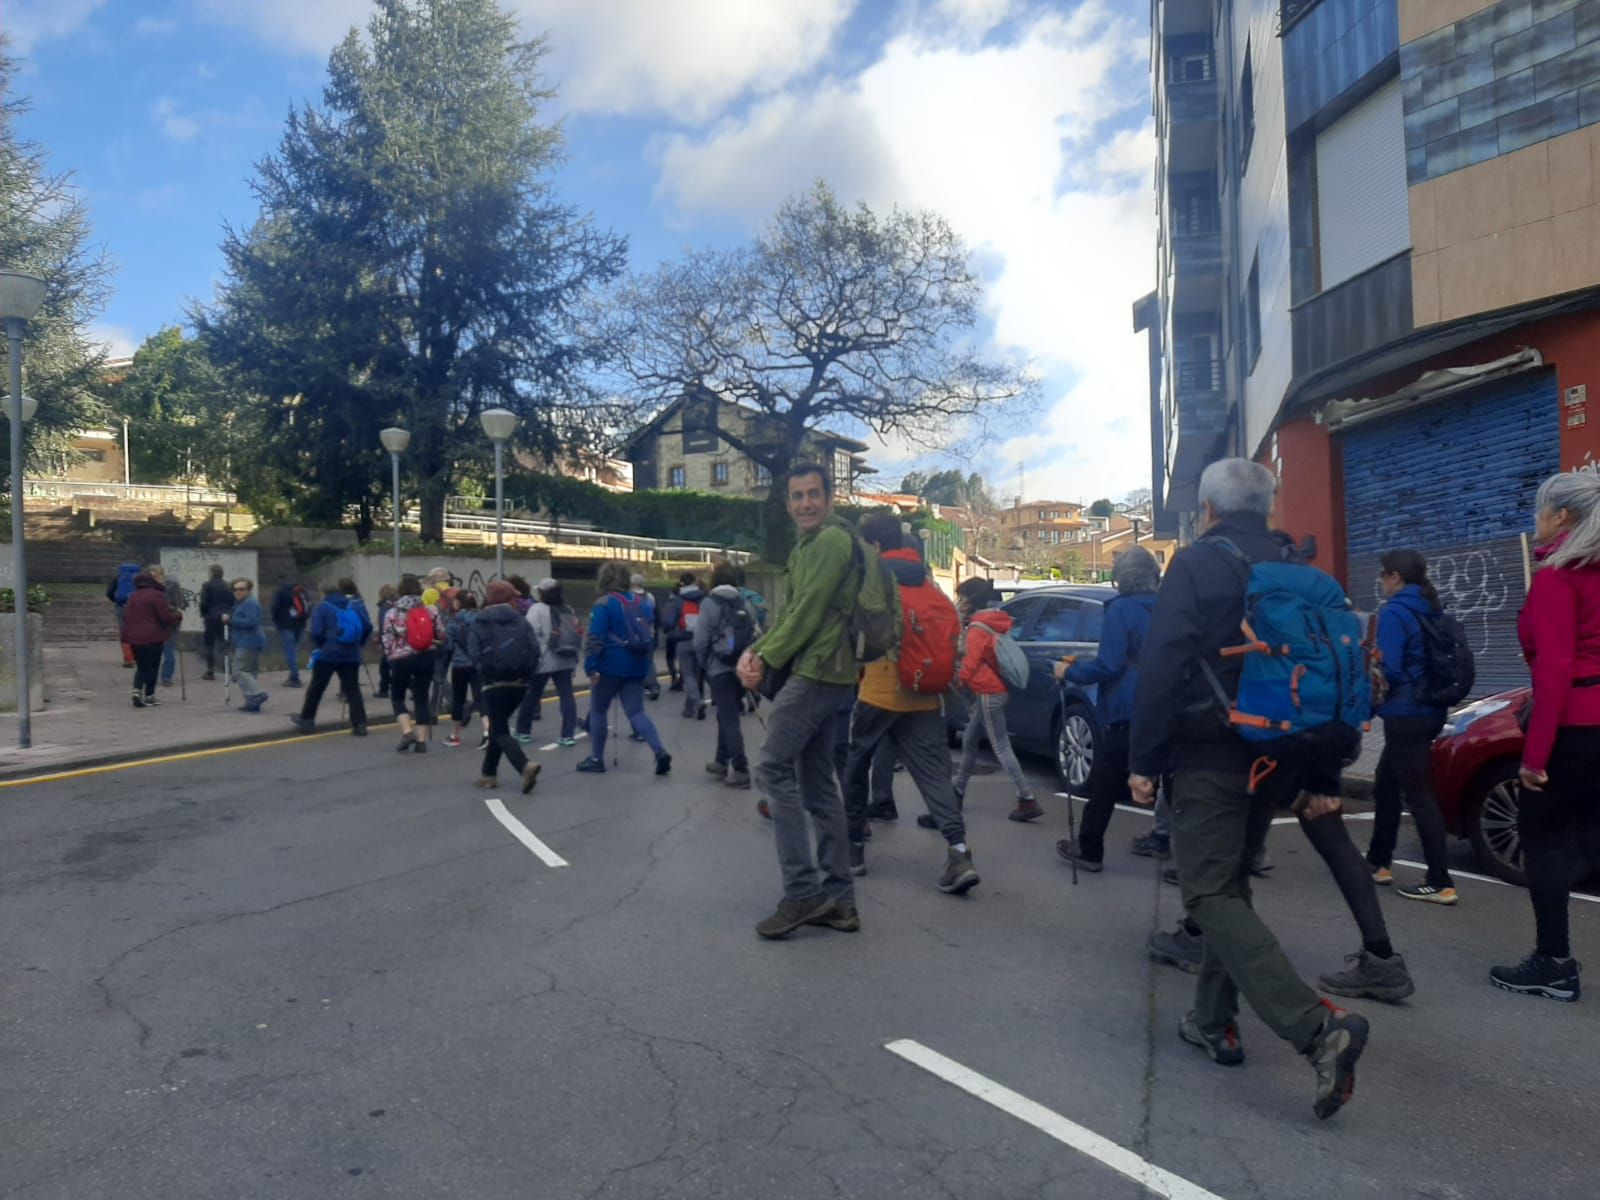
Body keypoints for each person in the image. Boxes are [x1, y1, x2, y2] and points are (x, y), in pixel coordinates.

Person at [1129, 457, 1368, 1120]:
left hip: (1212, 756)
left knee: (1205, 892)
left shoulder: (1200, 564)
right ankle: (1212, 1021)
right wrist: (1322, 773)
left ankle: (1317, 1028)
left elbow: (1163, 662)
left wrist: (1143, 759)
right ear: (1268, 507)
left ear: (1206, 510)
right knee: (1230, 885)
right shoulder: (1305, 572)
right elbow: (1335, 674)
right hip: (1284, 754)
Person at [735, 463, 860, 939]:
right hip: (830, 673)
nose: (805, 503)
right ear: (788, 503)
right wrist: (760, 649)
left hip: (818, 670)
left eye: (813, 494)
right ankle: (841, 902)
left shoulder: (829, 542)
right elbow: (792, 611)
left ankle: (804, 893)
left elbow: (806, 614)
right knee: (817, 783)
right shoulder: (810, 544)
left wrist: (761, 655)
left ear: (829, 499)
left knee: (771, 768)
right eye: (797, 496)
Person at [1491, 471, 1600, 1001]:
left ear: (1561, 516)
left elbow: (1554, 671)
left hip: (1576, 725)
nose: (1535, 521)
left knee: (1544, 837)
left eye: (1540, 511)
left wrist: (1534, 759)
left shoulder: (1559, 577)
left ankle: (1553, 961)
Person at [842, 515, 978, 894]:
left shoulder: (874, 580)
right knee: (934, 775)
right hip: (924, 693)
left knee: (857, 765)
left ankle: (853, 850)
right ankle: (959, 852)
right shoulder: (931, 587)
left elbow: (853, 632)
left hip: (880, 690)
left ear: (876, 547)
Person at [1055, 546, 1161, 871]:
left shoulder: (1121, 609)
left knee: (1105, 780)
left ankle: (1089, 849)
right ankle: (1182, 855)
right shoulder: (1169, 607)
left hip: (1128, 707)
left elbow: (1110, 664)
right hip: (1168, 702)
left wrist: (1069, 671)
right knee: (1174, 781)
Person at [1365, 549, 1458, 904]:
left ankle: (1440, 880)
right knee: (1386, 783)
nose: (1380, 581)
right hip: (1430, 709)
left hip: (1405, 712)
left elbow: (1389, 668)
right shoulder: (1432, 608)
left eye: (1383, 575)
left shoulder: (1394, 612)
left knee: (1419, 797)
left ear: (1395, 578)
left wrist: (1370, 693)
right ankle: (1378, 861)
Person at [952, 578, 1041, 822]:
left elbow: (970, 664)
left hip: (988, 693)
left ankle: (1027, 797)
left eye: (962, 598)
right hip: (992, 691)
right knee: (969, 740)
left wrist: (956, 681)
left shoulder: (977, 629)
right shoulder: (991, 623)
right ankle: (957, 791)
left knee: (1001, 747)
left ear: (971, 600)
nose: (960, 602)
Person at [577, 561, 671, 775]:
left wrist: (591, 667)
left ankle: (596, 759)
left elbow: (596, 637)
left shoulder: (604, 604)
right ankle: (659, 750)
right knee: (636, 711)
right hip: (637, 663)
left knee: (599, 710)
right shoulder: (641, 602)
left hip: (609, 665)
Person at [468, 580, 542, 794]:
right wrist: (527, 675)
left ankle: (524, 766)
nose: (517, 602)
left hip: (493, 684)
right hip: (520, 684)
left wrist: (484, 670)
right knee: (497, 728)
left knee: (499, 730)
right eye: (514, 598)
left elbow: (473, 652)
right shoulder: (521, 622)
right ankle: (488, 774)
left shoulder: (479, 622)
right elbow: (535, 650)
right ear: (507, 600)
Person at [693, 559, 756, 789]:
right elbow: (755, 634)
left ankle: (740, 769)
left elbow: (700, 640)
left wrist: (705, 663)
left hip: (719, 668)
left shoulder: (709, 603)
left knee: (729, 718)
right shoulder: (744, 602)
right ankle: (721, 760)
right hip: (740, 668)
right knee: (725, 714)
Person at [288, 581, 371, 735]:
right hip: (351, 654)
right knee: (352, 689)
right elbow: (367, 626)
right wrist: (359, 643)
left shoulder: (323, 607)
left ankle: (307, 719)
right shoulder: (353, 604)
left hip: (329, 654)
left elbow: (317, 632)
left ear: (323, 593)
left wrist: (322, 646)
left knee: (317, 687)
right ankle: (360, 724)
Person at [383, 573, 445, 753]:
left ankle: (407, 730)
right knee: (421, 697)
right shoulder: (430, 610)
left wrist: (390, 656)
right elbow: (441, 633)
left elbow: (387, 638)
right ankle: (421, 741)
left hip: (401, 658)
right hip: (425, 656)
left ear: (400, 591)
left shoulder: (392, 612)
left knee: (397, 696)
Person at [527, 578, 582, 747]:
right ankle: (568, 734)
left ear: (542, 593)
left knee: (532, 696)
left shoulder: (537, 609)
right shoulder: (568, 609)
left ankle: (523, 731)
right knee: (567, 696)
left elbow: (530, 633)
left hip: (544, 659)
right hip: (566, 658)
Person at [121, 570, 180, 707]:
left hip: (134, 638)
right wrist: (177, 616)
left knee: (141, 666)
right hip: (153, 637)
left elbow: (125, 616)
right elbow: (165, 618)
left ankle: (137, 690)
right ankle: (149, 695)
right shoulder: (157, 595)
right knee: (153, 666)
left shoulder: (133, 596)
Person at [444, 591, 488, 749]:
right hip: (477, 663)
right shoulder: (482, 618)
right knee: (481, 698)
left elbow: (448, 647)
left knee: (458, 700)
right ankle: (487, 732)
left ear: (458, 603)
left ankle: (455, 735)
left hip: (460, 665)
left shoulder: (453, 621)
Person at [226, 578, 269, 713]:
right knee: (249, 672)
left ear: (248, 590)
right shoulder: (241, 603)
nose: (237, 592)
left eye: (241, 589)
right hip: (247, 640)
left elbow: (252, 622)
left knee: (239, 671)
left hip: (249, 641)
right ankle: (252, 703)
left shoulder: (249, 603)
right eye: (235, 589)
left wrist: (230, 620)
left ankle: (258, 693)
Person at [673, 573, 708, 719]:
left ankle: (697, 701)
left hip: (683, 639)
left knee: (687, 674)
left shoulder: (678, 600)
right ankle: (689, 708)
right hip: (700, 640)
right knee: (697, 674)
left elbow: (668, 621)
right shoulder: (705, 599)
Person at [148, 565, 186, 688]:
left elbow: (180, 604)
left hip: (166, 623)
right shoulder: (150, 586)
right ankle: (162, 676)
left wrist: (170, 610)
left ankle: (165, 677)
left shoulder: (170, 586)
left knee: (167, 652)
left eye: (154, 572)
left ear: (160, 573)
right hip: (161, 623)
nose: (152, 574)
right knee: (159, 652)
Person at [271, 578, 310, 687]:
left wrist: (276, 621)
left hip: (286, 625)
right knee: (294, 651)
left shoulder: (280, 592)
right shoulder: (301, 591)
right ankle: (293, 674)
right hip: (300, 625)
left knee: (290, 652)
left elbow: (274, 608)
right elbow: (308, 607)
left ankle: (294, 678)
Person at [198, 564, 233, 681]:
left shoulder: (207, 585)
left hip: (211, 617)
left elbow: (204, 602)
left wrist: (204, 614)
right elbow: (232, 601)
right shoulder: (228, 586)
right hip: (225, 617)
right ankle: (230, 669)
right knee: (224, 643)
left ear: (211, 573)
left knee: (209, 644)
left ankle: (210, 670)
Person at [106, 560, 141, 668]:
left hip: (121, 607)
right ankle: (137, 657)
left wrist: (116, 601)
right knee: (137, 632)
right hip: (137, 608)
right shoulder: (140, 578)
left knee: (124, 633)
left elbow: (109, 593)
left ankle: (128, 659)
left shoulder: (118, 578)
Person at [632, 574, 662, 700]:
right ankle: (653, 686)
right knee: (649, 661)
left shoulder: (628, 597)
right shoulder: (650, 597)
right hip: (649, 633)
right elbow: (656, 615)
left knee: (634, 660)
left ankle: (639, 686)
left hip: (634, 634)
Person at [658, 584, 684, 690]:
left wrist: (665, 629)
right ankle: (681, 679)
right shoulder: (685, 602)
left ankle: (673, 677)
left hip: (672, 634)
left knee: (670, 658)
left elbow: (668, 620)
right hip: (684, 634)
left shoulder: (672, 603)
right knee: (682, 659)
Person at [374, 583, 398, 699]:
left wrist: (379, 639)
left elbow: (383, 625)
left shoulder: (384, 607)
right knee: (390, 665)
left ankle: (384, 689)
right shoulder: (397, 605)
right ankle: (384, 688)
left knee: (387, 666)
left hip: (388, 640)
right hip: (398, 639)